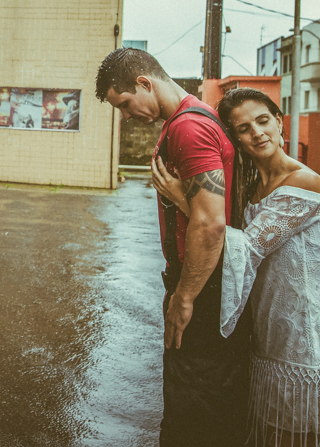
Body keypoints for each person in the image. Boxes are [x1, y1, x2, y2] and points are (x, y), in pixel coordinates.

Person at [152, 87, 320, 447]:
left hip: (301, 345)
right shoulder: (253, 186)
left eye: (263, 121)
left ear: (279, 121)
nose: (257, 132)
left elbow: (246, 248)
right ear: (235, 139)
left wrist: (184, 198)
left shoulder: (304, 182)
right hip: (264, 342)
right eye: (243, 128)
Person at [95, 48, 250, 446]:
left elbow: (211, 223)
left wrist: (185, 296)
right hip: (208, 279)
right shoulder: (191, 117)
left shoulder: (188, 127)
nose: (125, 116)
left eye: (124, 103)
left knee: (195, 406)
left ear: (144, 83)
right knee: (201, 400)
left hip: (205, 283)